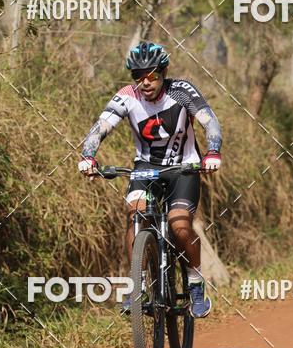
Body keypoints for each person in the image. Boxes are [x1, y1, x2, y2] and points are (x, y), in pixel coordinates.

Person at [78, 41, 222, 317]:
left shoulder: (181, 92)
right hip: (145, 167)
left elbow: (209, 121)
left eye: (152, 75)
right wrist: (88, 156)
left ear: (164, 72)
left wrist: (213, 151)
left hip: (184, 167)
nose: (145, 82)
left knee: (179, 224)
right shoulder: (127, 96)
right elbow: (101, 127)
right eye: (138, 76)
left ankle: (195, 282)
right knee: (136, 211)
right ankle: (137, 285)